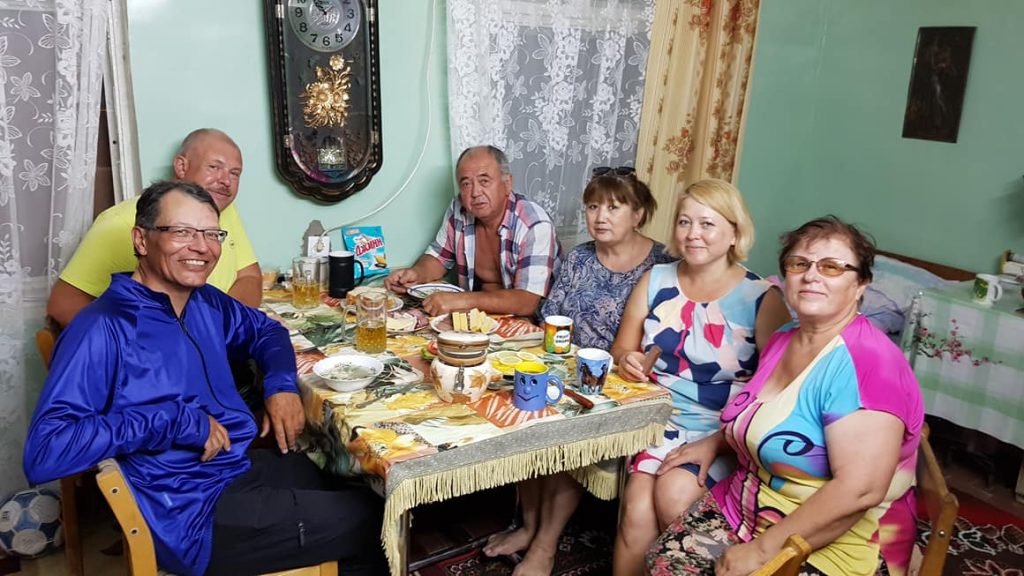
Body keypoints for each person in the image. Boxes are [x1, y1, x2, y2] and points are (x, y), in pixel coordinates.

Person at [24, 181, 386, 576]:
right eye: (182, 231)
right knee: (377, 521)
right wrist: (175, 420)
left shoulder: (204, 302)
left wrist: (281, 385)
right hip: (188, 513)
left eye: (212, 234)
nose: (202, 247)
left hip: (228, 466)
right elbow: (46, 452)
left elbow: (267, 332)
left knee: (349, 478)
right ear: (141, 240)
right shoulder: (103, 328)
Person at [645, 216, 924, 576]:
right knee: (661, 550)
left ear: (860, 284)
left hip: (837, 548)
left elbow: (860, 490)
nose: (811, 276)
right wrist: (714, 442)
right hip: (751, 511)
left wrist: (761, 552)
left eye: (831, 267)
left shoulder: (870, 364)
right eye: (799, 264)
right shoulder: (785, 337)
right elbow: (768, 414)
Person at [482, 169, 675, 575]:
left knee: (566, 433)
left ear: (638, 214)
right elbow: (550, 316)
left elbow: (661, 341)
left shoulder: (662, 266)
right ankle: (528, 526)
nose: (600, 216)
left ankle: (545, 546)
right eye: (592, 206)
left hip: (618, 380)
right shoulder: (580, 258)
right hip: (566, 366)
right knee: (524, 414)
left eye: (614, 207)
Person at [609, 179, 790, 576]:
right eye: (685, 222)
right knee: (636, 511)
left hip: (725, 430)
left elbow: (776, 394)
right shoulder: (655, 280)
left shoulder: (762, 298)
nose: (693, 234)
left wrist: (718, 443)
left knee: (674, 495)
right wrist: (629, 360)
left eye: (707, 224)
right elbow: (622, 348)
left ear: (735, 233)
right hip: (659, 419)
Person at [47, 128, 262, 328]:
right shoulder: (119, 222)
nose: (226, 181)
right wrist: (145, 341)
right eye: (214, 167)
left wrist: (220, 327)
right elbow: (63, 303)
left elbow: (250, 277)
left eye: (235, 173)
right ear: (181, 166)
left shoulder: (222, 209)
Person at [385, 145, 560, 317]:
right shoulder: (459, 209)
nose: (475, 192)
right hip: (480, 316)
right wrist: (416, 273)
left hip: (533, 321)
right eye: (466, 184)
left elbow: (526, 301)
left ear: (507, 184)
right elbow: (439, 257)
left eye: (484, 181)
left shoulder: (534, 224)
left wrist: (461, 301)